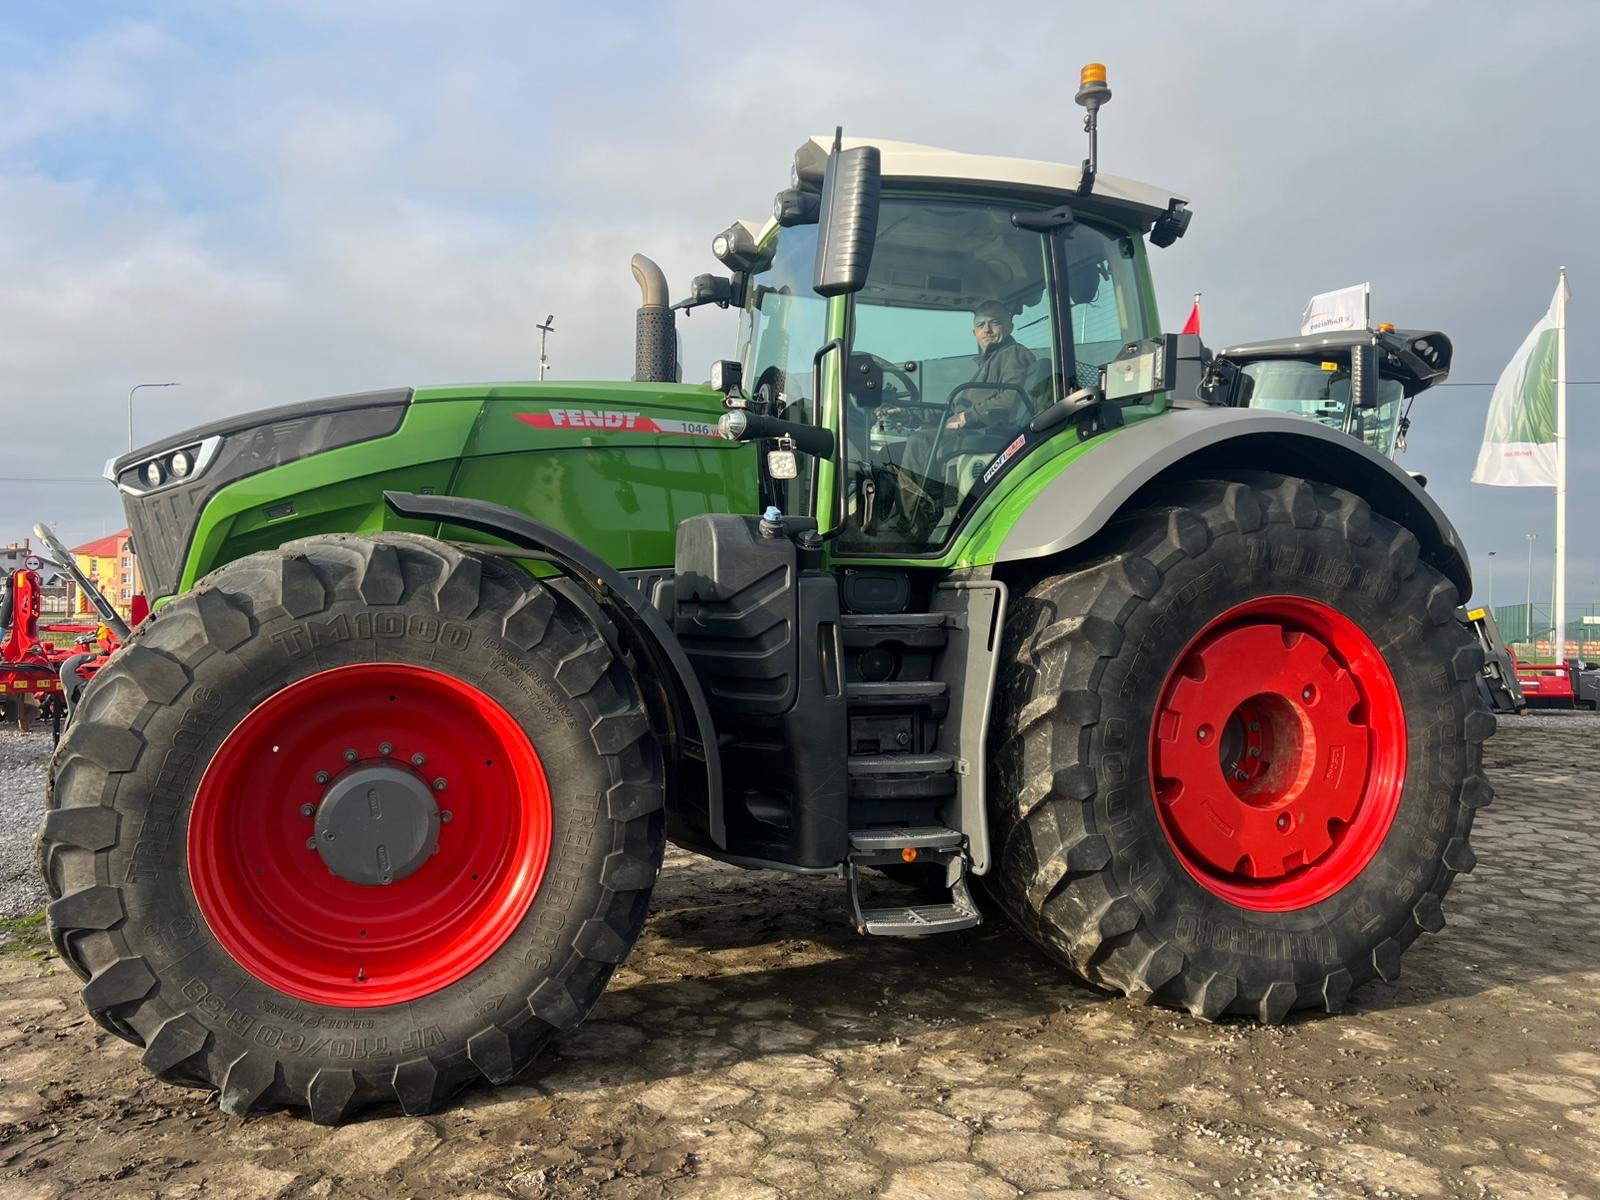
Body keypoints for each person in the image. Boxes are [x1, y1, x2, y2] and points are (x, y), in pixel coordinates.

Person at [891, 301, 1037, 532]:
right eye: (981, 325)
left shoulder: (1014, 354)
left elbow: (1011, 399)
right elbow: (950, 413)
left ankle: (911, 526)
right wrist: (909, 415)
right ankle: (886, 519)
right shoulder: (987, 363)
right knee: (891, 452)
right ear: (974, 333)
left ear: (1009, 326)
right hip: (974, 428)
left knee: (919, 442)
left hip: (992, 432)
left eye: (994, 323)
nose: (987, 330)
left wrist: (967, 418)